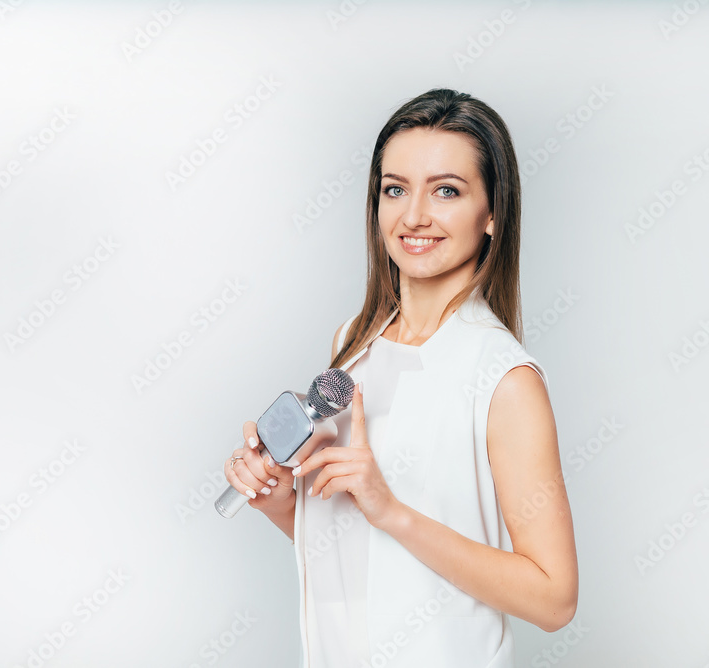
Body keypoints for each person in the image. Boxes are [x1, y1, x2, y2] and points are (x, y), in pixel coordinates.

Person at [224, 88, 577, 667]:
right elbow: (364, 557)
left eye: (446, 190)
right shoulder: (352, 344)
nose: (414, 216)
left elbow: (554, 600)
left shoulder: (503, 378)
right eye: (395, 189)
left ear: (492, 214)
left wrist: (390, 508)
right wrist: (282, 501)